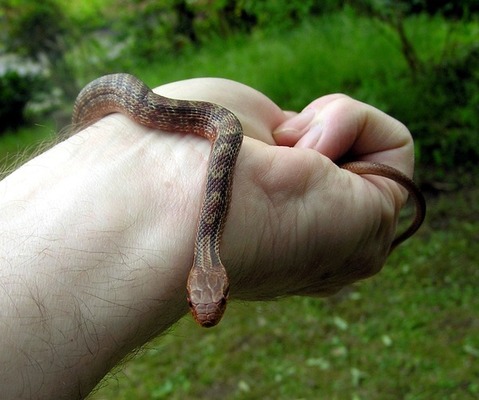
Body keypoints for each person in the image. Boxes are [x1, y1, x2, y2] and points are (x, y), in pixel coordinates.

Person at [0, 77, 414, 399]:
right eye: (211, 302)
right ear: (218, 282)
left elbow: (222, 128)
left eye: (205, 303)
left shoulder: (225, 140)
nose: (208, 315)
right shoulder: (209, 237)